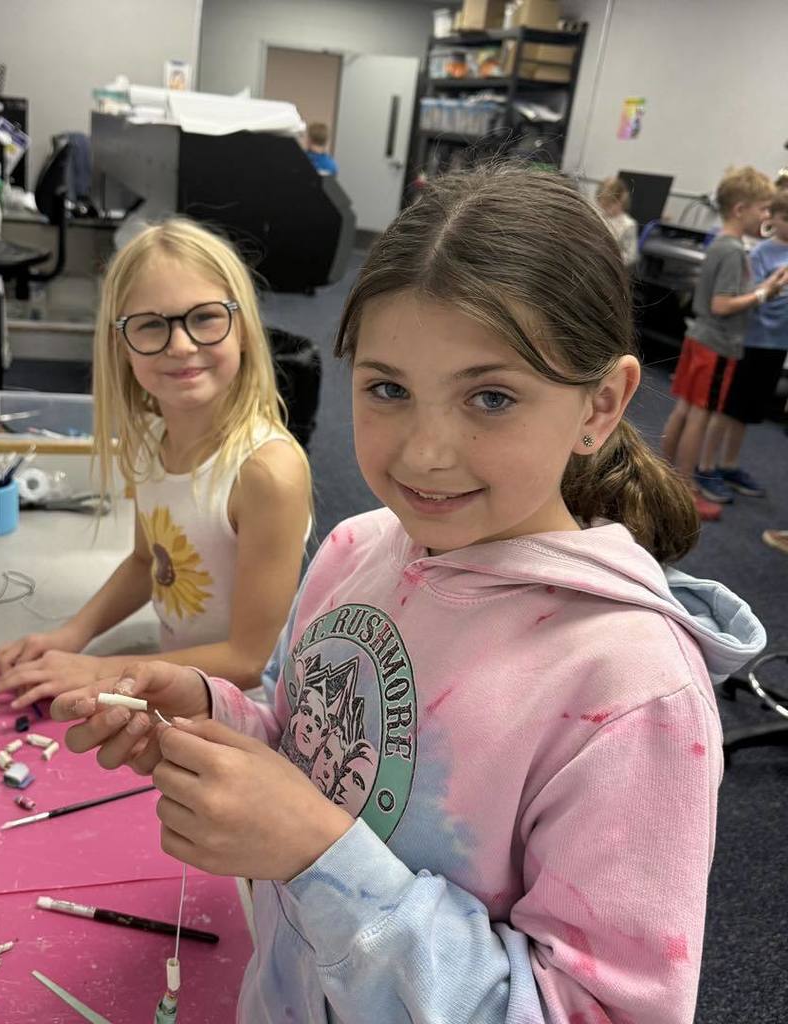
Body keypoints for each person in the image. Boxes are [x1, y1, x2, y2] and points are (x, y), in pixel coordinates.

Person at [52, 167, 766, 1024]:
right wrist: (209, 713)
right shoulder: (356, 550)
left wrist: (317, 856)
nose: (425, 452)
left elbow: (598, 1011)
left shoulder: (631, 694)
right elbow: (307, 747)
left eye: (491, 397)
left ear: (601, 405)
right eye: (387, 388)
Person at [0, 218, 312, 705]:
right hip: (166, 683)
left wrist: (95, 670)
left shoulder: (266, 473)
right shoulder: (149, 442)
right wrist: (73, 636)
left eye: (205, 317)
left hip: (243, 712)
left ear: (243, 329)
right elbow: (148, 561)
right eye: (151, 325)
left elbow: (250, 659)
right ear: (122, 346)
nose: (181, 344)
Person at [660, 166, 788, 519]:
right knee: (699, 416)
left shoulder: (721, 242)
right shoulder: (732, 250)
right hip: (716, 346)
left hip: (700, 339)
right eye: (763, 209)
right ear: (740, 209)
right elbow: (722, 304)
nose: (766, 216)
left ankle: (665, 478)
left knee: (685, 411)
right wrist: (765, 293)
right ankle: (685, 489)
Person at [710, 188, 788, 498]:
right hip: (753, 340)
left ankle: (728, 465)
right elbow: (747, 294)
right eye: (785, 218)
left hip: (777, 344)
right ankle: (707, 465)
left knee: (747, 412)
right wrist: (768, 289)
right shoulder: (760, 254)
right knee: (729, 408)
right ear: (774, 220)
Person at [595, 176, 638, 267]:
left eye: (609, 205)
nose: (605, 209)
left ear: (621, 200)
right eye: (603, 205)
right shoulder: (598, 217)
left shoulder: (628, 225)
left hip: (611, 266)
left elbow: (631, 256)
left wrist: (611, 258)